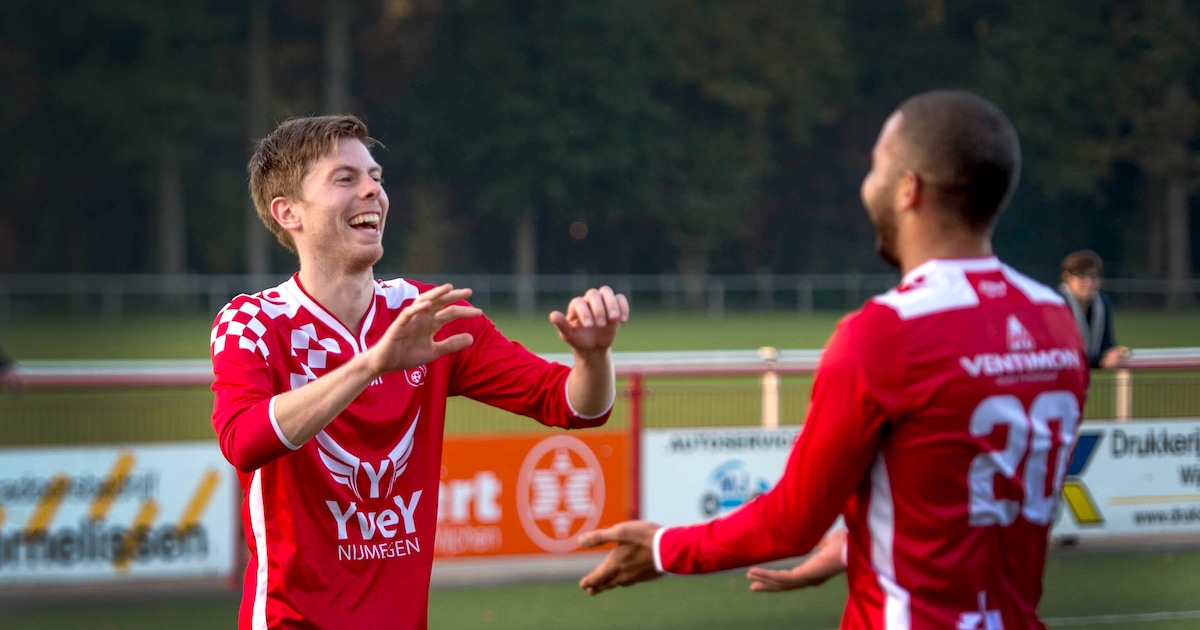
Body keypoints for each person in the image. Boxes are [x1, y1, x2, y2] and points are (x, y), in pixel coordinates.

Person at [577, 90, 1090, 629]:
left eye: (875, 168)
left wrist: (663, 548)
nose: (867, 187)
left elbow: (790, 522)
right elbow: (966, 493)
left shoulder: (885, 334)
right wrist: (855, 542)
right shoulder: (1052, 317)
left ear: (908, 189)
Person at [210, 114, 629, 630]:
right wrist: (372, 364)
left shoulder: (424, 313)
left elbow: (571, 405)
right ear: (288, 212)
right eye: (346, 178)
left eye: (376, 178)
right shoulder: (254, 322)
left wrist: (592, 357)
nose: (372, 191)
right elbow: (243, 440)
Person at [1058, 249, 1129, 368]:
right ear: (1067, 277)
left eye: (1094, 276)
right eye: (1081, 276)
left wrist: (1112, 353)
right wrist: (1099, 361)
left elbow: (1106, 342)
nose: (1089, 282)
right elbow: (1060, 351)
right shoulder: (1054, 304)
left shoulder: (1103, 302)